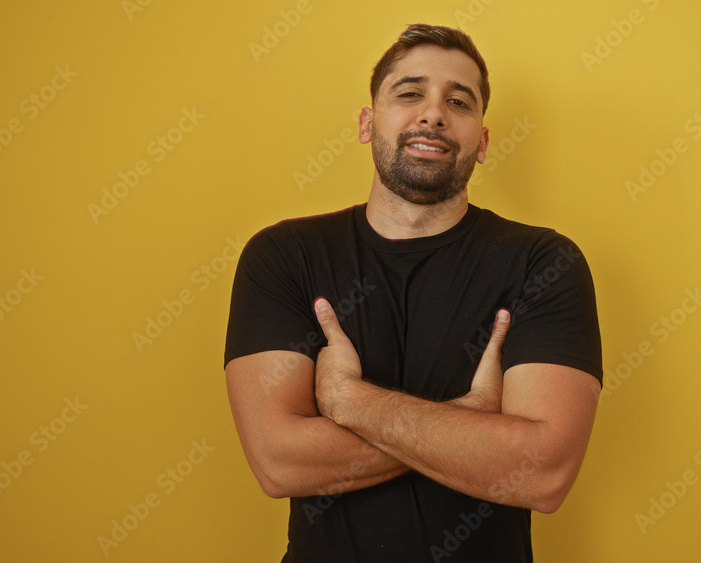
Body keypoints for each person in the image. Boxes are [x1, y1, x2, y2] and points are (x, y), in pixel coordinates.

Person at [224, 23, 603, 562]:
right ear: (367, 122)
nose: (433, 114)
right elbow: (278, 463)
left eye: (459, 101)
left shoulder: (543, 263)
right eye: (409, 94)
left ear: (483, 142)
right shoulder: (286, 255)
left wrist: (348, 401)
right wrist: (473, 415)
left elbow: (543, 473)